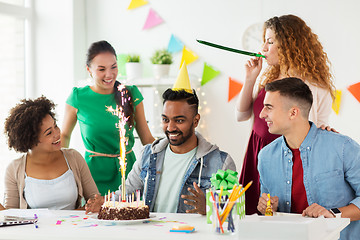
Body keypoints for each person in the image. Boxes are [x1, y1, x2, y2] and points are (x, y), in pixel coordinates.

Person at [235, 14, 336, 214]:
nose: (263, 48)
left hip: (286, 160)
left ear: (289, 45)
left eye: (270, 41)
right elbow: (241, 115)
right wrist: (250, 78)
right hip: (257, 152)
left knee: (282, 214)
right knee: (253, 217)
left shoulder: (316, 87)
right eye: (264, 41)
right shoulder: (269, 81)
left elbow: (317, 132)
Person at [85, 88, 236, 214]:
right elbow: (128, 192)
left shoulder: (221, 162)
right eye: (166, 120)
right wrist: (105, 202)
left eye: (179, 120)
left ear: (195, 121)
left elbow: (234, 212)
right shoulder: (148, 154)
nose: (170, 128)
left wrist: (209, 207)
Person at [257, 78, 360, 240]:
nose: (262, 114)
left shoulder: (342, 147)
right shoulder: (265, 156)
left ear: (293, 112)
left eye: (268, 108)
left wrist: (333, 213)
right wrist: (268, 208)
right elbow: (268, 211)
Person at [61, 40, 155, 195]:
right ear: (89, 70)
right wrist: (64, 170)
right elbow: (64, 135)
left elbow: (147, 138)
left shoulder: (131, 94)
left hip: (129, 173)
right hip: (91, 175)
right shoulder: (78, 97)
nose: (109, 74)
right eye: (101, 69)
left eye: (114, 67)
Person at [3, 96, 99, 210]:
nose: (57, 133)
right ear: (31, 140)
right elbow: (10, 214)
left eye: (55, 126)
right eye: (49, 133)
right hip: (35, 228)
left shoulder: (74, 157)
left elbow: (95, 199)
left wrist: (75, 216)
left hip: (73, 227)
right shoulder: (14, 169)